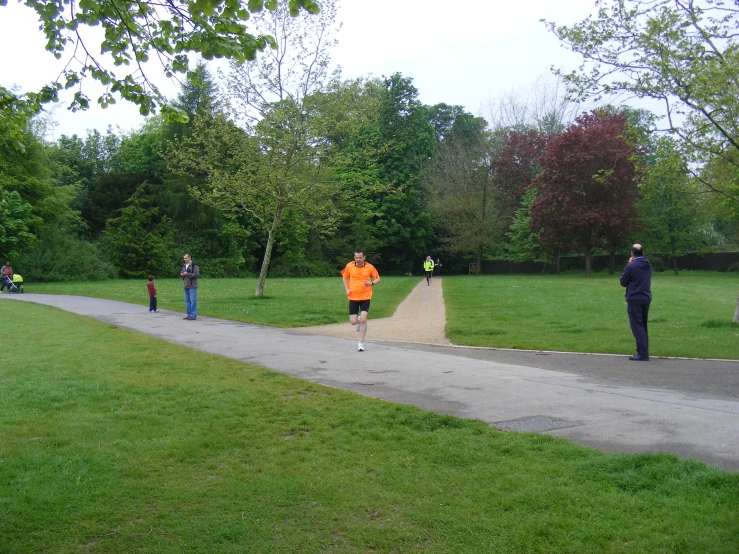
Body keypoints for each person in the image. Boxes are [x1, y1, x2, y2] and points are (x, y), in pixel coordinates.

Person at [342, 250, 380, 352]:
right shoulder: (349, 266)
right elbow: (345, 277)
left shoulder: (369, 267)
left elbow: (377, 278)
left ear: (364, 257)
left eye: (360, 257)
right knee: (353, 322)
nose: (358, 259)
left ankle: (360, 343)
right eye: (356, 258)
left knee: (364, 319)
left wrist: (371, 283)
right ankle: (358, 322)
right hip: (353, 297)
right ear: (354, 258)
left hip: (365, 296)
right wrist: (347, 289)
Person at [620, 243, 652, 361]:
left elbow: (623, 281)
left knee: (637, 326)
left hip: (634, 298)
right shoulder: (648, 264)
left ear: (632, 253)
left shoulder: (631, 266)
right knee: (643, 325)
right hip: (646, 297)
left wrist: (630, 263)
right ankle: (644, 350)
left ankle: (642, 353)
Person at [180, 253, 199, 320]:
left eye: (186, 258)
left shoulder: (194, 265)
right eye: (184, 258)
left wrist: (187, 274)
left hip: (192, 285)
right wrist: (182, 274)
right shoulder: (184, 265)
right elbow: (182, 272)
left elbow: (196, 274)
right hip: (185, 285)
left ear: (189, 258)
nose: (185, 259)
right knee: (187, 301)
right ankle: (189, 314)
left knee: (193, 301)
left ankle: (193, 315)